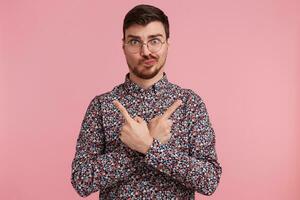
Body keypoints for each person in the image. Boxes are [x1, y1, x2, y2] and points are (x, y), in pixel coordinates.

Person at [71, 4, 222, 199]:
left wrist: (149, 147)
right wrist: (137, 149)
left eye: (154, 41)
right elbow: (81, 181)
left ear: (167, 43)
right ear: (123, 45)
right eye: (135, 42)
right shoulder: (102, 105)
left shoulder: (189, 103)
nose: (146, 51)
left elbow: (209, 180)